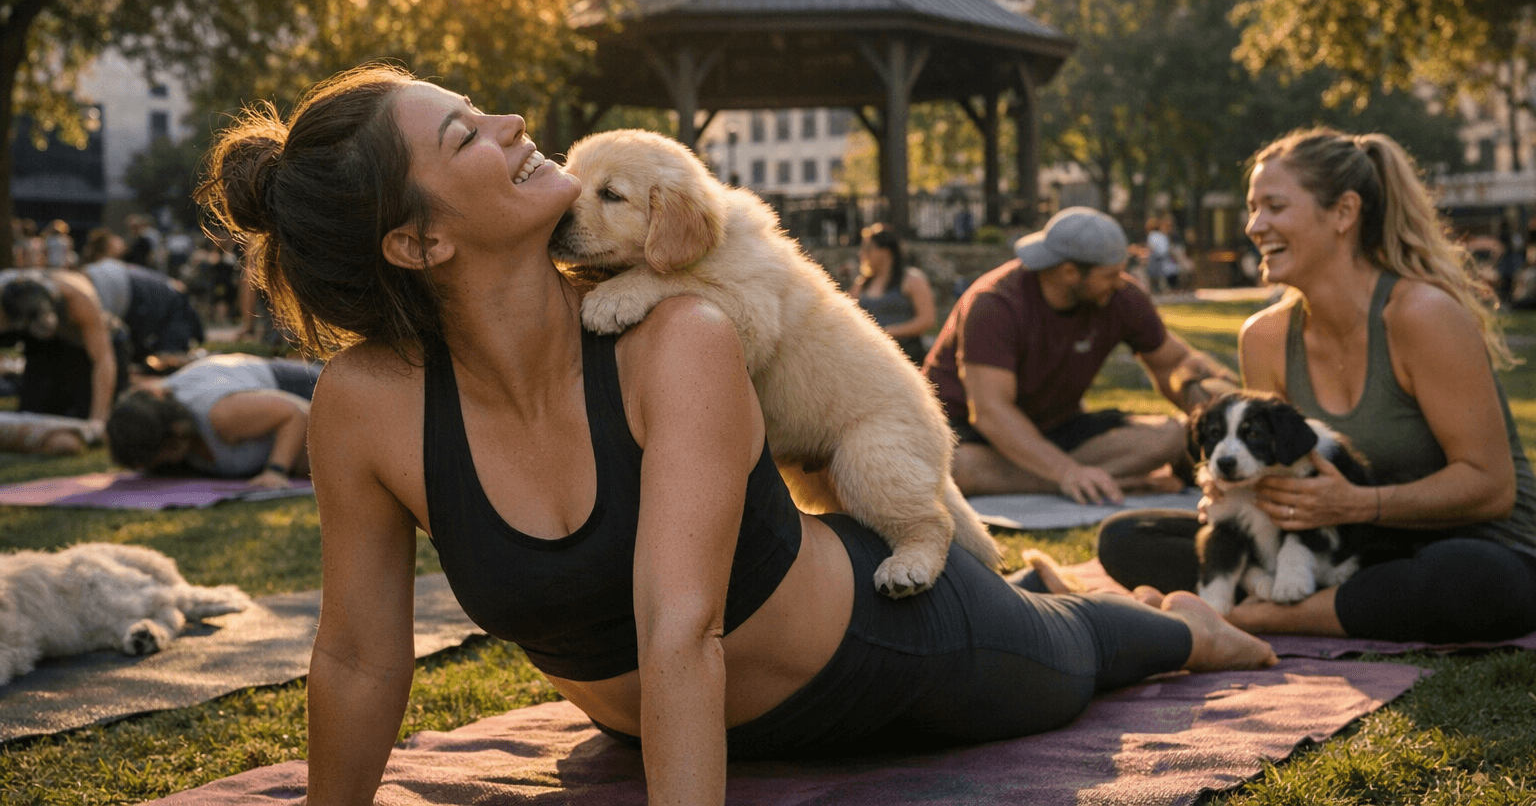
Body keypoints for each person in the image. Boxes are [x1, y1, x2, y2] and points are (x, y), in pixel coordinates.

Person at [195, 64, 1274, 806]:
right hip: (656, 723)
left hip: (894, 651)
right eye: (465, 134)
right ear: (418, 237)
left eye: (485, 110)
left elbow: (681, 630)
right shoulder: (365, 401)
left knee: (1084, 648)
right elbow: (352, 652)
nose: (514, 124)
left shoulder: (679, 334)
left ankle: (1181, 621)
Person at [1098, 129, 1536, 644]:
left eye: (1275, 207)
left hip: (1467, 542)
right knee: (1128, 539)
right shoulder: (1263, 338)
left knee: (1472, 578)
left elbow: (1491, 489)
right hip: (1336, 546)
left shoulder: (1423, 316)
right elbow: (1270, 473)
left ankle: (1260, 617)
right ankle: (1331, 604)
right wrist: (1230, 486)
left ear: (1344, 213)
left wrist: (1356, 504)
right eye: (1252, 208)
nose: (1255, 226)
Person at [923, 206, 1237, 505]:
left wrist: (1217, 403)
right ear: (1070, 272)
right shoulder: (994, 304)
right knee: (953, 466)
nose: (1120, 283)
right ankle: (1089, 479)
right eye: (1110, 275)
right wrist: (1066, 472)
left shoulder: (1122, 297)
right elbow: (991, 413)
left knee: (1171, 436)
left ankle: (1072, 478)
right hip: (973, 435)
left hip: (1059, 428)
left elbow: (1173, 363)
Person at [106, 353, 322, 489]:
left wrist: (276, 471)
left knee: (319, 458)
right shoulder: (154, 415)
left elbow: (295, 414)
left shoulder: (221, 414)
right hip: (272, 401)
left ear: (175, 434)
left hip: (310, 388)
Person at [0, 269, 128, 431]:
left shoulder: (78, 299)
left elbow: (103, 359)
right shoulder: (7, 299)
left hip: (91, 346)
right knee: (34, 410)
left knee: (85, 411)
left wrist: (97, 421)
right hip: (50, 345)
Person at [847, 223, 936, 365]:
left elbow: (927, 320)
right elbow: (847, 316)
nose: (862, 253)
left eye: (869, 248)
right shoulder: (862, 283)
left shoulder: (912, 279)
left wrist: (889, 332)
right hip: (869, 356)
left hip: (906, 355)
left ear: (886, 252)